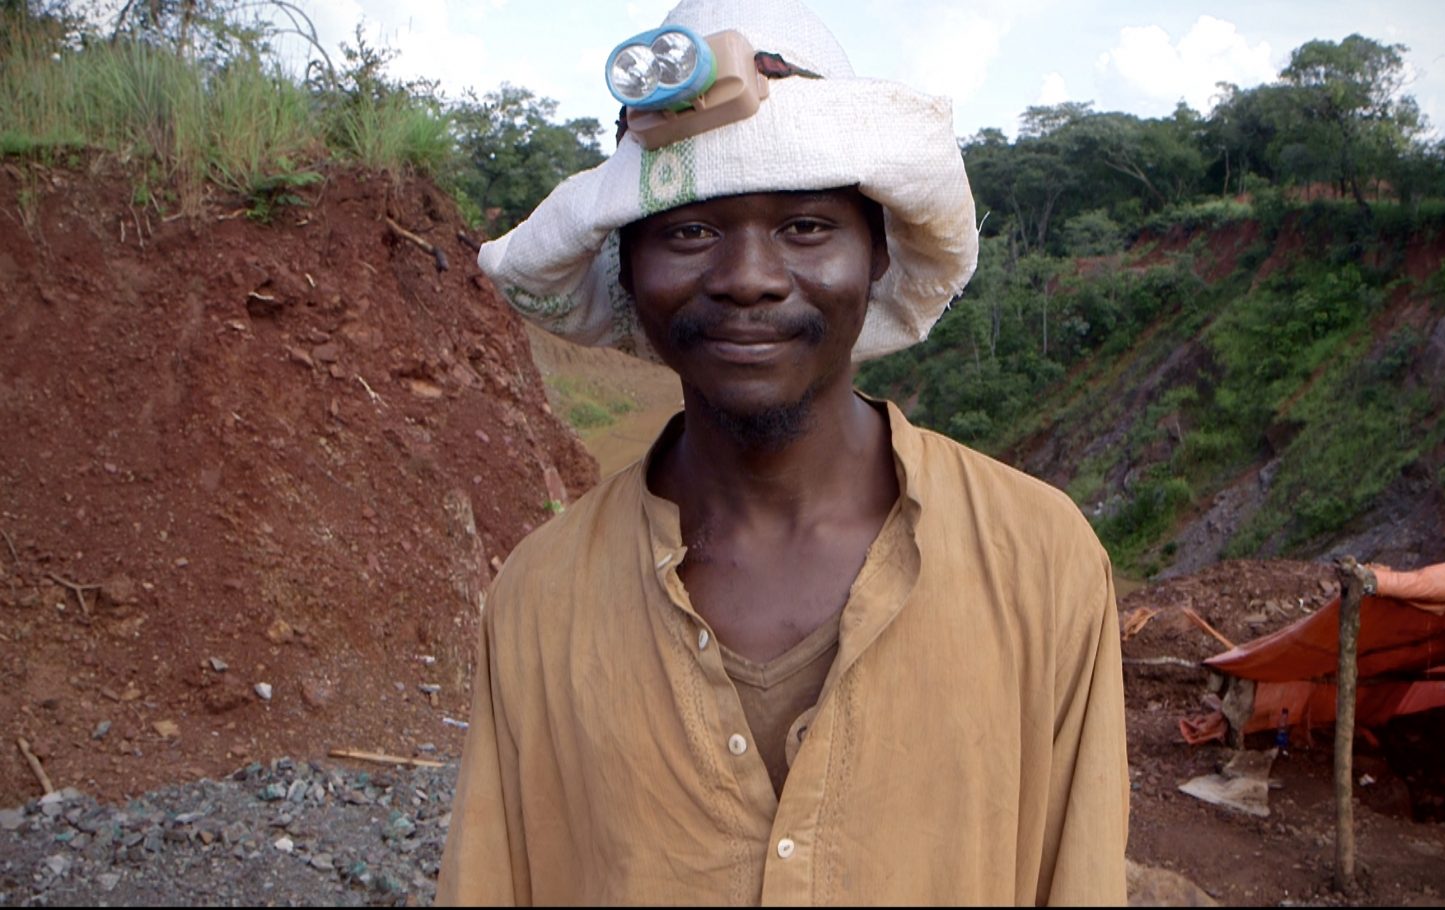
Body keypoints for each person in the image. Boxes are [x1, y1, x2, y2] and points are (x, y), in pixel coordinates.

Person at [437, 0, 1128, 903]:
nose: (749, 278)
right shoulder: (537, 601)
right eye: (689, 231)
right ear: (628, 269)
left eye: (805, 226)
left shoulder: (1042, 563)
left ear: (874, 251)